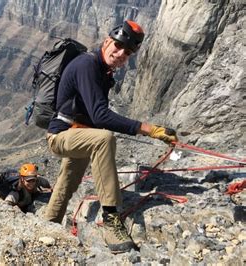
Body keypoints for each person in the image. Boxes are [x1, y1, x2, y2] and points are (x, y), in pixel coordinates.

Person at [43, 20, 178, 254]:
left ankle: (48, 225)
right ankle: (111, 220)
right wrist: (149, 129)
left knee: (67, 182)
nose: (120, 54)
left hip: (80, 134)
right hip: (61, 135)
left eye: (127, 53)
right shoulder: (87, 65)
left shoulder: (102, 71)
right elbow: (101, 117)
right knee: (104, 139)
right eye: (117, 46)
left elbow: (94, 117)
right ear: (106, 42)